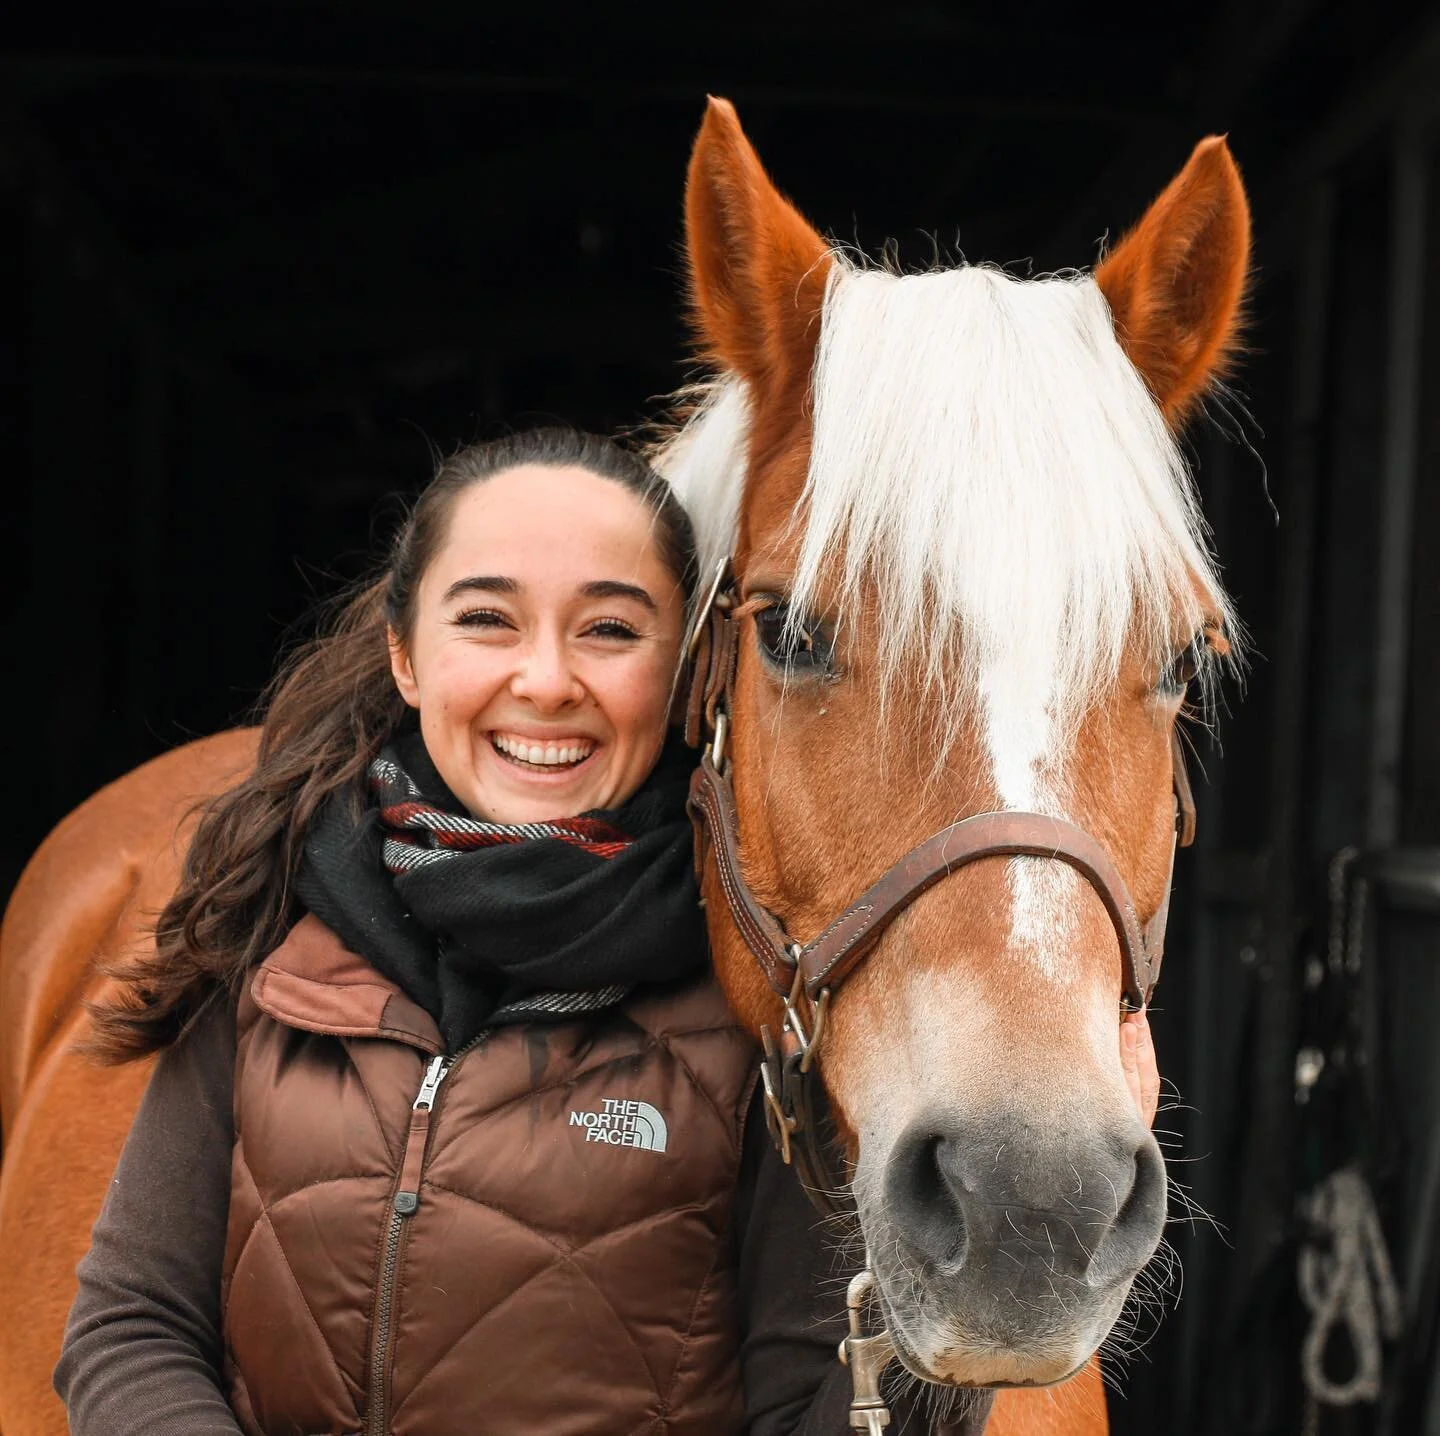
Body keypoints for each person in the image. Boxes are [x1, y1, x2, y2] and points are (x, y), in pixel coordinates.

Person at [54, 427, 1160, 1435]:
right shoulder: (271, 922)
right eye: (486, 619)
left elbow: (817, 1416)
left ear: (685, 671)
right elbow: (128, 1325)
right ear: (406, 655)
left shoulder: (766, 1018)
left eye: (611, 630)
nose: (546, 681)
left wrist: (963, 1308)